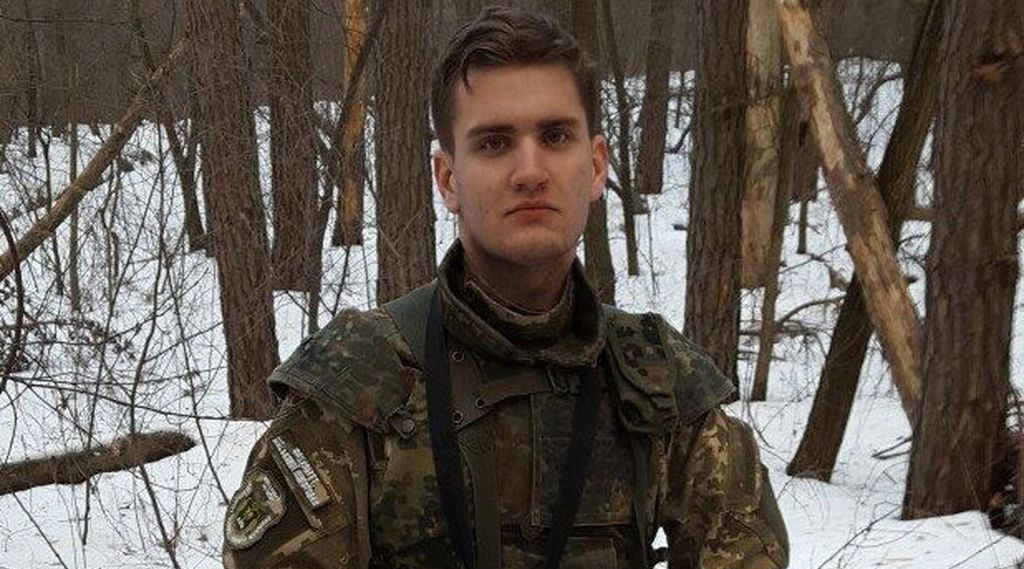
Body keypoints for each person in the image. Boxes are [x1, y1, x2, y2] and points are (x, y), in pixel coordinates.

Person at [222, 6, 788, 569]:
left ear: (595, 166)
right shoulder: (360, 379)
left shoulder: (656, 378)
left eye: (556, 136)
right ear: (448, 179)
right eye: (494, 143)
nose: (530, 171)